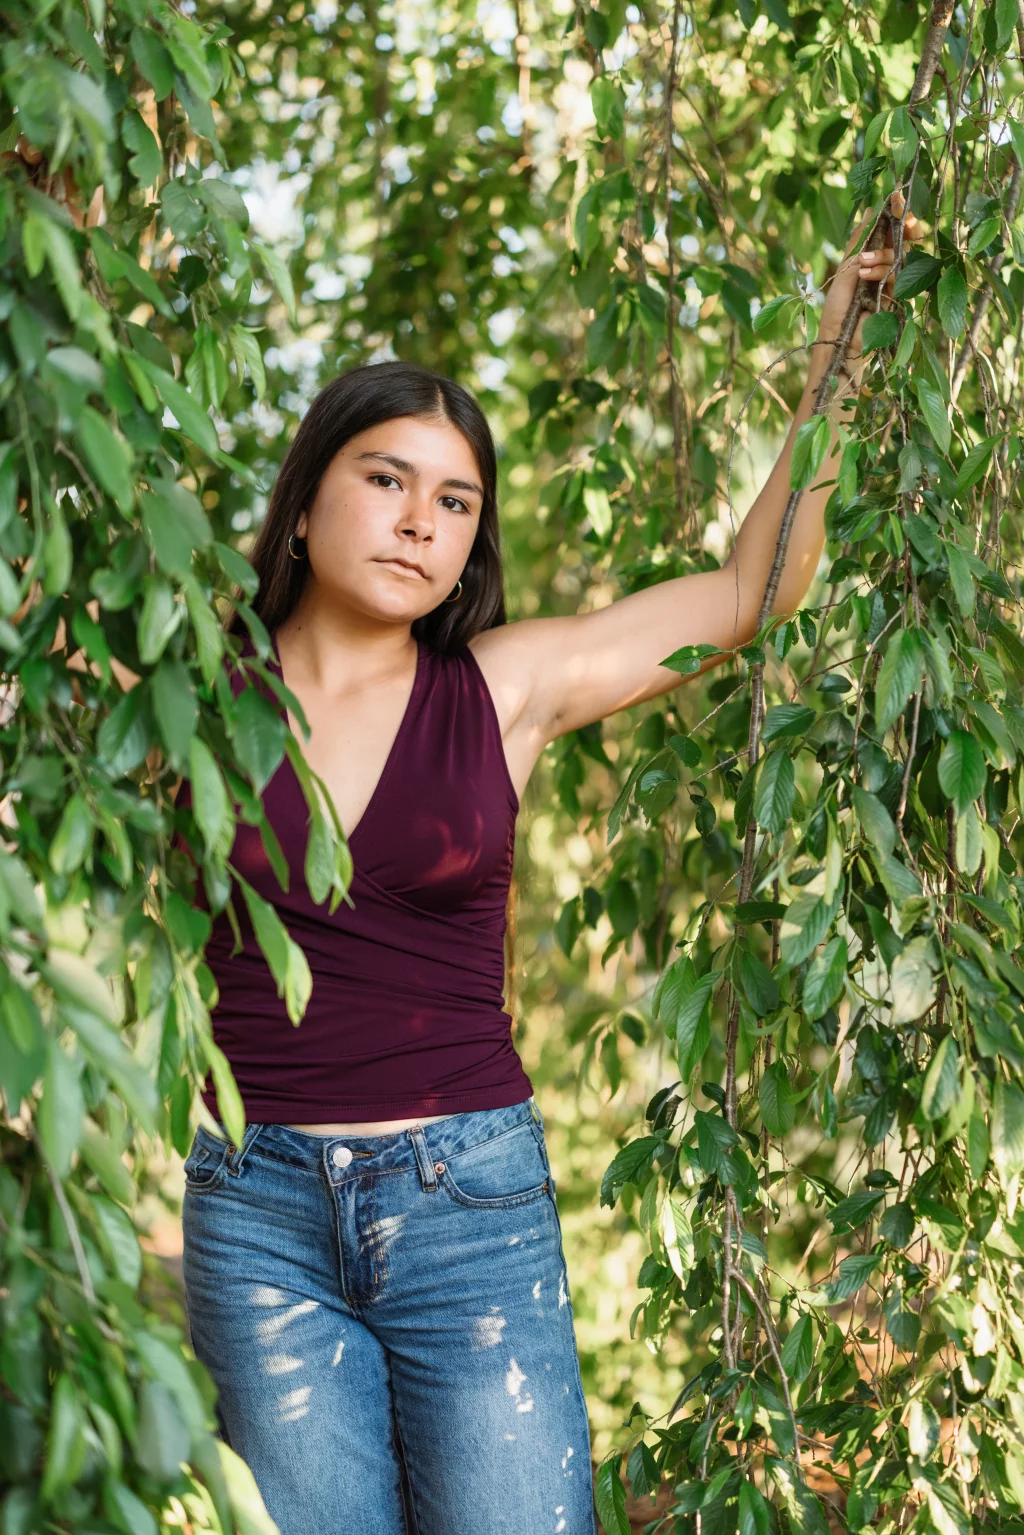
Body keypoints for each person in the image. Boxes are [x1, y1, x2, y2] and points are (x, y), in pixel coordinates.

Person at [179, 193, 918, 1535]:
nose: (420, 520)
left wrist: (836, 359)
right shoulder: (190, 694)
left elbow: (750, 595)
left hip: (466, 1201)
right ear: (303, 505)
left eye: (454, 500)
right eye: (387, 479)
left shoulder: (503, 687)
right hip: (254, 1210)